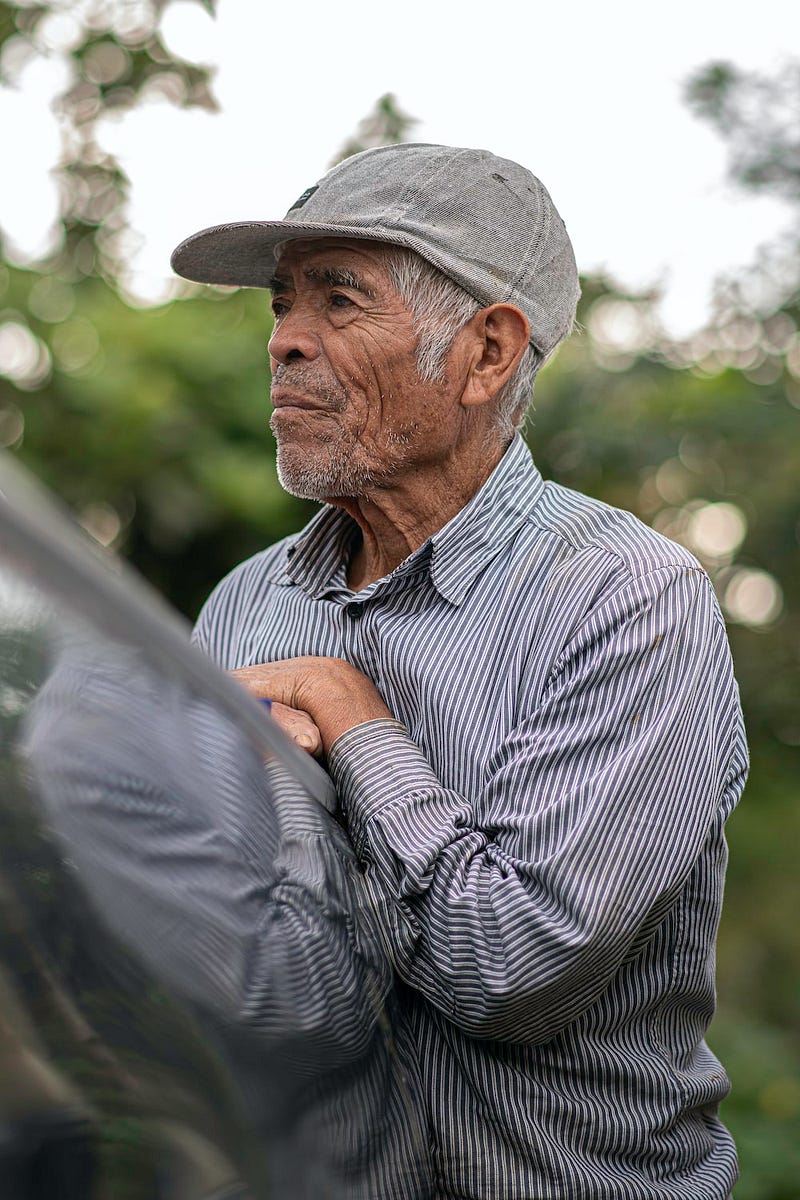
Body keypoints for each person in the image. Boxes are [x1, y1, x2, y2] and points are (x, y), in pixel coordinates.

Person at [171, 143, 748, 1199]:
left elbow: (509, 969)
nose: (285, 344)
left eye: (339, 301)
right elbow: (200, 944)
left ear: (485, 353)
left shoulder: (628, 598)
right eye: (281, 306)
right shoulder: (244, 606)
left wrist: (352, 724)